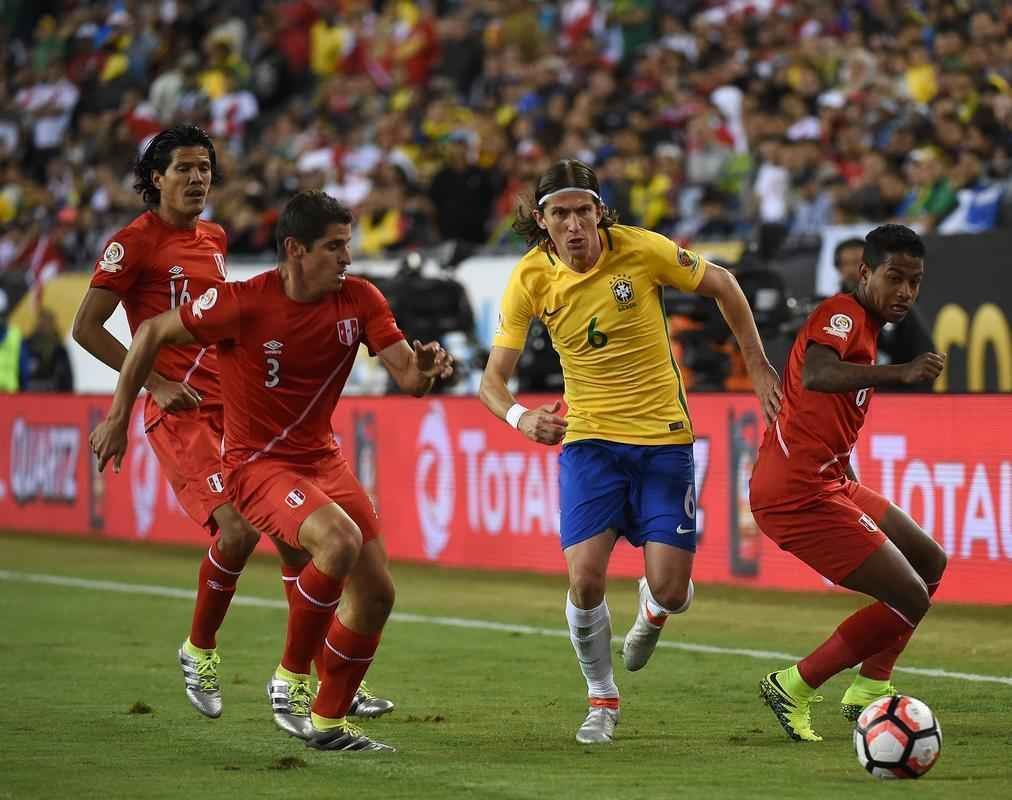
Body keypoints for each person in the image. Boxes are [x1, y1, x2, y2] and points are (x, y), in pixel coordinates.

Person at [90, 190, 453, 752]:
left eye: (347, 246)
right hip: (256, 464)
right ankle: (288, 681)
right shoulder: (242, 302)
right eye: (333, 248)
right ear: (295, 250)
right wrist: (121, 413)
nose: (347, 258)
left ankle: (330, 722)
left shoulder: (360, 299)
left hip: (322, 460)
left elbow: (408, 377)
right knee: (337, 542)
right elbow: (149, 333)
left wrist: (426, 370)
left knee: (378, 593)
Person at [72, 126, 392, 723]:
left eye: (205, 169)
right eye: (184, 168)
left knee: (300, 546)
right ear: (155, 178)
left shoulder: (215, 238)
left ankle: (330, 674)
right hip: (178, 411)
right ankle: (201, 649)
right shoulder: (132, 244)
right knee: (239, 530)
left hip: (236, 409)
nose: (197, 179)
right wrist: (147, 390)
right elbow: (87, 327)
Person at [479, 159, 782, 744]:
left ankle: (654, 609)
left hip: (663, 440)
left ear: (600, 213)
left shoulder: (642, 250)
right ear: (542, 221)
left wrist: (758, 364)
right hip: (589, 441)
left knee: (673, 591)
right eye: (560, 214)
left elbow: (723, 283)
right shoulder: (528, 279)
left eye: (583, 211)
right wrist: (520, 417)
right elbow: (492, 380)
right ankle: (601, 698)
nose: (574, 225)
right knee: (585, 579)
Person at [752, 224, 947, 742]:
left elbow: (822, 409)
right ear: (865, 273)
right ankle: (794, 684)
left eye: (915, 281)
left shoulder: (867, 324)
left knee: (930, 562)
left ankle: (869, 686)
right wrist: (899, 373)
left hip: (829, 479)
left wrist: (844, 473)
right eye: (894, 277)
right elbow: (819, 373)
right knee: (910, 596)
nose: (905, 292)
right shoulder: (842, 314)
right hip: (794, 494)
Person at [834, 237, 935, 392]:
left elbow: (925, 353)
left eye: (856, 263)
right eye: (844, 264)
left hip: (893, 398)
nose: (850, 271)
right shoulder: (832, 309)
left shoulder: (897, 304)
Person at [20, 307, 73, 392]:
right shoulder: (27, 345)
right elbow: (20, 373)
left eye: (46, 323)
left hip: (54, 396)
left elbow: (67, 378)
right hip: (28, 395)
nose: (43, 326)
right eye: (41, 322)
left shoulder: (59, 350)